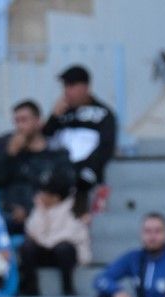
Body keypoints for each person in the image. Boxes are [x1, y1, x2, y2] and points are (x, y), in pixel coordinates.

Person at [0, 100, 72, 234]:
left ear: (39, 122)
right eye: (17, 121)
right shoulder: (11, 152)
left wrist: (28, 211)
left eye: (24, 120)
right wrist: (8, 156)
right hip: (10, 215)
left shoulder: (56, 154)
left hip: (45, 216)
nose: (19, 126)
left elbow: (63, 188)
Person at [44, 64, 118, 211]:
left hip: (85, 181)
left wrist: (89, 171)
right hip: (59, 178)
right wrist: (53, 118)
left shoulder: (103, 113)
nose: (67, 91)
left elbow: (106, 146)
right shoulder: (62, 113)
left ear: (85, 87)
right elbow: (45, 139)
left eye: (71, 85)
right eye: (65, 86)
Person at [19, 173, 88, 297]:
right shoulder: (39, 207)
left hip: (65, 255)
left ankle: (68, 288)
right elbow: (31, 230)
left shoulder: (75, 207)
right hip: (45, 251)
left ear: (56, 197)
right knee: (26, 247)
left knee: (64, 248)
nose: (41, 195)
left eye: (45, 192)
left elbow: (69, 235)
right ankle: (31, 289)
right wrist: (41, 211)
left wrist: (44, 241)